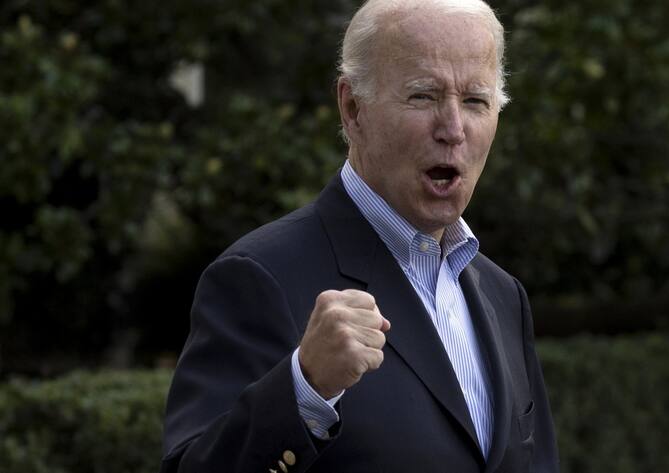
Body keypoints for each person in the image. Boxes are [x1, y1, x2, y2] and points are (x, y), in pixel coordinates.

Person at [160, 0, 560, 471]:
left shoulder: (503, 295)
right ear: (352, 109)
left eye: (475, 101)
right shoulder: (257, 276)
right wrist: (304, 388)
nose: (453, 129)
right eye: (423, 96)